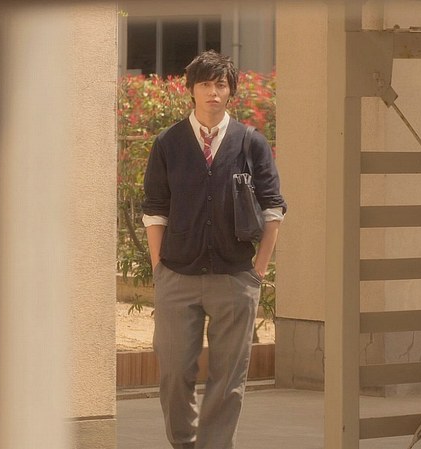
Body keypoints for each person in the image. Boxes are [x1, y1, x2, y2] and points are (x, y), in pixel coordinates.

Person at [141, 50, 286, 449]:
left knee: (228, 380)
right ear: (191, 90)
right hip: (176, 277)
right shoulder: (168, 142)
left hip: (236, 277)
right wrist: (159, 269)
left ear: (231, 91)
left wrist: (258, 270)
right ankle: (183, 443)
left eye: (221, 85)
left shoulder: (251, 142)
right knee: (174, 373)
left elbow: (274, 208)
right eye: (205, 84)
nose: (213, 93)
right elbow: (155, 210)